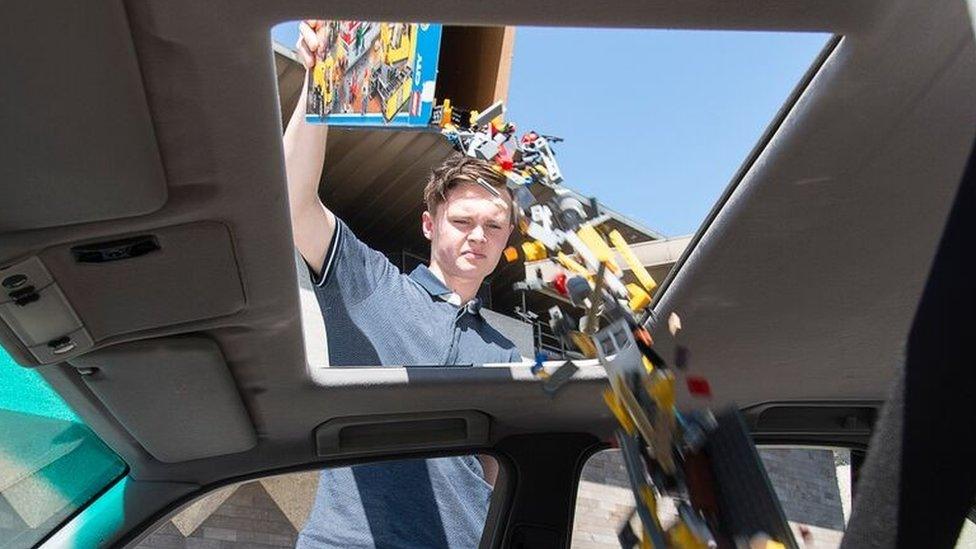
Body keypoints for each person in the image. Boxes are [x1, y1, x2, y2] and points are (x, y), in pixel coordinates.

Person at [286, 20, 523, 549]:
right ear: (429, 224)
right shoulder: (371, 284)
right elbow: (295, 202)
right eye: (462, 221)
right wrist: (316, 82)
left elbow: (493, 473)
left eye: (493, 226)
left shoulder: (508, 354)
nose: (477, 236)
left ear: (507, 239)